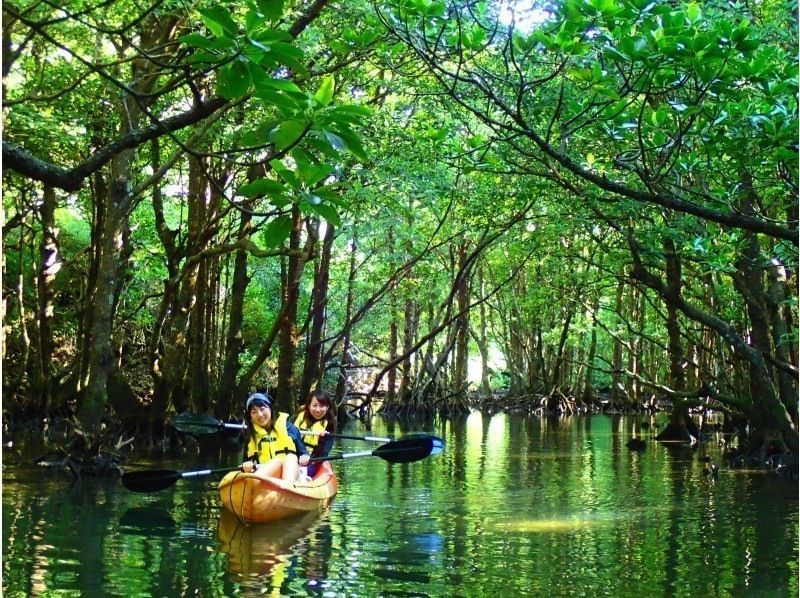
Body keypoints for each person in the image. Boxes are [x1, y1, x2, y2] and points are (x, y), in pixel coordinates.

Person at [241, 392, 310, 483]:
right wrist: (246, 465)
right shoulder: (250, 436)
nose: (260, 414)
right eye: (254, 412)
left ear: (270, 408)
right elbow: (245, 462)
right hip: (266, 476)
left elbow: (303, 452)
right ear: (250, 415)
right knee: (275, 462)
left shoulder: (289, 429)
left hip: (292, 474)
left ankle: (286, 488)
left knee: (290, 457)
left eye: (262, 409)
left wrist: (304, 456)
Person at [294, 389, 336, 478]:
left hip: (311, 460)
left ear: (327, 407)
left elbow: (323, 453)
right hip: (292, 456)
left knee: (308, 470)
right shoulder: (297, 417)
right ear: (309, 405)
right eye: (314, 405)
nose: (318, 410)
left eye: (322, 406)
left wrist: (322, 440)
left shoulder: (329, 424)